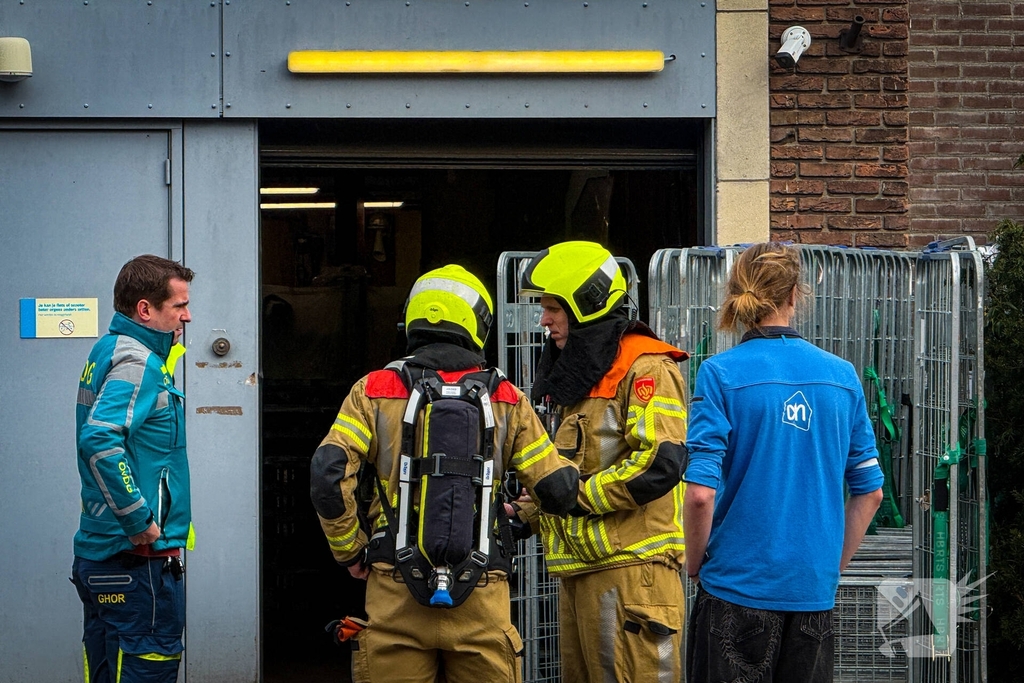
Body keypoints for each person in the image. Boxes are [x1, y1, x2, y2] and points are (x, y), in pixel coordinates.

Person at [309, 264, 580, 683]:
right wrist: (518, 517)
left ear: (413, 318)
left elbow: (328, 473)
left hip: (393, 588)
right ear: (478, 323)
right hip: (482, 597)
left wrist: (351, 551)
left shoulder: (374, 389)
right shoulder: (506, 398)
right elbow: (558, 491)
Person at [682, 242, 884, 683]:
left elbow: (700, 494)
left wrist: (695, 564)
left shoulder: (720, 374)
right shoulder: (842, 377)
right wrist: (829, 566)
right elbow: (870, 492)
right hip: (811, 594)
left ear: (737, 293)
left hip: (735, 589)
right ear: (795, 294)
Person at [517, 241, 690, 683]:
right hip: (585, 574)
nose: (544, 319)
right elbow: (572, 467)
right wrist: (525, 513)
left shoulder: (646, 368)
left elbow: (660, 464)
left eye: (554, 307)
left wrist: (575, 497)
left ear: (586, 303)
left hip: (633, 576)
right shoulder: (585, 375)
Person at [71, 254, 195, 683]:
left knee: (106, 669)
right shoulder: (138, 361)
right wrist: (139, 519)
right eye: (178, 306)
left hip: (100, 554)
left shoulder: (107, 348)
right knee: (147, 667)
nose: (187, 315)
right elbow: (100, 440)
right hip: (133, 560)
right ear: (146, 309)